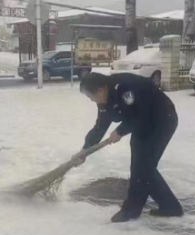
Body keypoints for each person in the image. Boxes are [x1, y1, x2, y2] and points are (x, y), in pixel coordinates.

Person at [76, 72, 183, 223]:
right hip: (142, 125)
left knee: (143, 167)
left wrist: (120, 131)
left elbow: (141, 113)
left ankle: (131, 210)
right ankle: (170, 206)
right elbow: (100, 126)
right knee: (143, 167)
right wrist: (86, 149)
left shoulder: (125, 88)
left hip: (161, 120)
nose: (92, 100)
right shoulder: (104, 101)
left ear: (101, 90)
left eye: (90, 96)